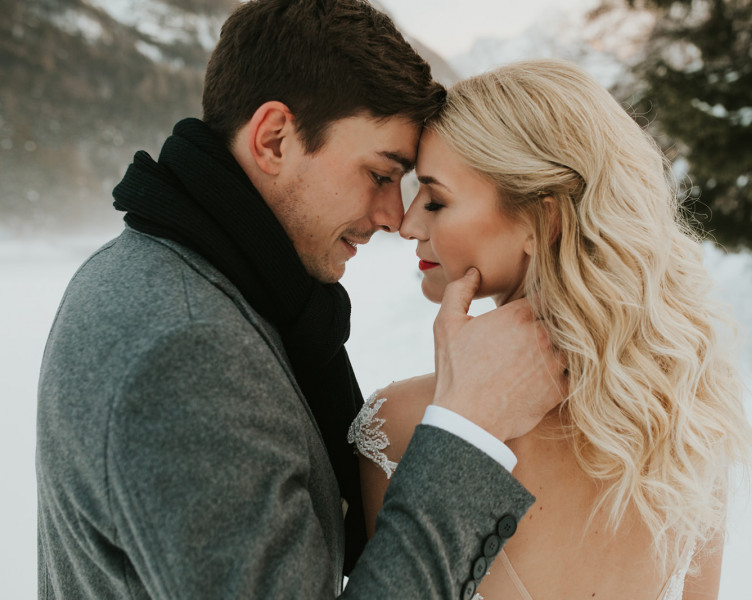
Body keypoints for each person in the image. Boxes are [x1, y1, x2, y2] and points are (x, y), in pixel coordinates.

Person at [35, 2, 565, 598]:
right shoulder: (187, 349)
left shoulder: (180, 278)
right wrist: (470, 429)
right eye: (380, 174)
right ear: (274, 139)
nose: (395, 217)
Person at [349, 60, 752, 600]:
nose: (407, 224)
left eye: (437, 199)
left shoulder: (402, 427)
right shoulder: (687, 418)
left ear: (544, 220)